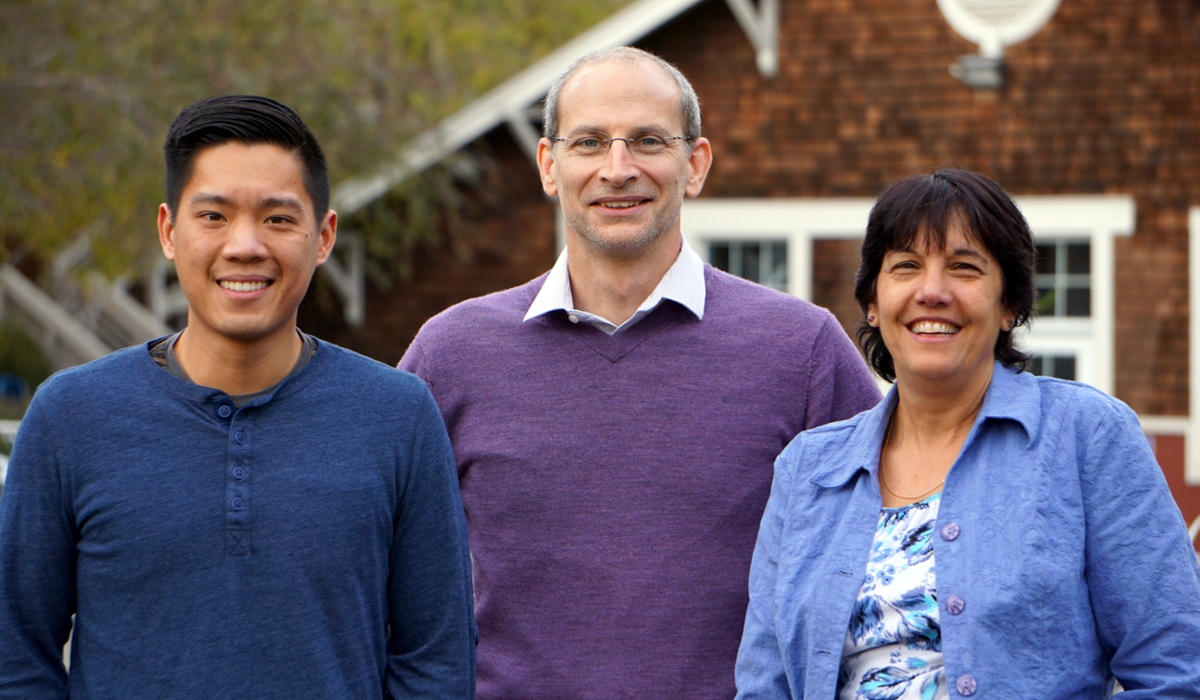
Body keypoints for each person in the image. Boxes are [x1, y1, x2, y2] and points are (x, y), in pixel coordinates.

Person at [399, 47, 881, 699]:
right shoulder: (453, 353)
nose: (617, 169)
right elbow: (377, 575)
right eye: (590, 142)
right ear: (549, 165)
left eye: (648, 141)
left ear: (696, 164)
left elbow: (888, 561)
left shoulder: (803, 351)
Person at [0, 95, 476, 698]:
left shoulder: (399, 416)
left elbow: (437, 659)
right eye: (214, 216)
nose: (245, 246)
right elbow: (15, 656)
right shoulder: (69, 415)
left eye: (278, 218)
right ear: (170, 232)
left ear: (323, 236)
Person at [735, 169, 1200, 699]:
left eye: (964, 268)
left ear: (1009, 306)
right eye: (906, 266)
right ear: (872, 301)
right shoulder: (807, 470)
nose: (932, 292)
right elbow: (764, 685)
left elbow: (1177, 671)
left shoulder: (1087, 437)